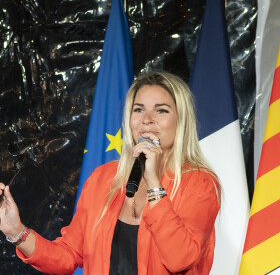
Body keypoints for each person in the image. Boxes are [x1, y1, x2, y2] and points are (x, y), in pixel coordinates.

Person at [0, 71, 220, 275]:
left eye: (161, 110)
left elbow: (180, 258)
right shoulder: (103, 178)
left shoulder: (199, 183)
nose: (147, 119)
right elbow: (68, 255)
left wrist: (153, 182)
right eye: (139, 109)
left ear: (181, 120)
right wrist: (16, 231)